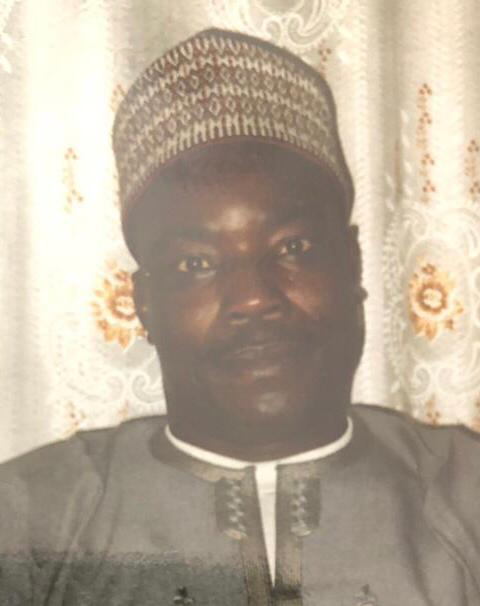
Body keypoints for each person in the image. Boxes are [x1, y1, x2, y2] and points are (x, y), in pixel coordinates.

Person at [0, 28, 479, 606]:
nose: (252, 298)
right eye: (196, 263)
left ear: (350, 263)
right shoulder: (34, 522)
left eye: (293, 247)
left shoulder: (465, 497)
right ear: (144, 303)